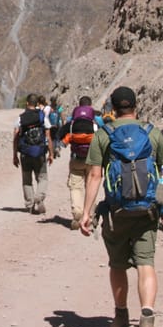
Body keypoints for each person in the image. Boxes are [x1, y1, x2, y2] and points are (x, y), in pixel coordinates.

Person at [80, 86, 163, 327]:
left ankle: (121, 317)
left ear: (112, 107)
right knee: (146, 262)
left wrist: (86, 212)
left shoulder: (104, 135)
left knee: (118, 264)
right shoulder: (152, 133)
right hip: (148, 210)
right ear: (136, 106)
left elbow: (95, 175)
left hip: (116, 212)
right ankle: (147, 317)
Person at [12, 93, 53, 215]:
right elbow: (48, 137)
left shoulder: (20, 118)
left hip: (25, 153)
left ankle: (30, 204)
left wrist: (14, 154)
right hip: (39, 152)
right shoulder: (42, 117)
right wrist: (51, 153)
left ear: (27, 103)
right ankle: (38, 197)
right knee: (43, 178)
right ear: (37, 104)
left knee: (26, 179)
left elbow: (15, 137)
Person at [64, 95, 97, 230]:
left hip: (76, 158)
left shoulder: (72, 124)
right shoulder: (95, 124)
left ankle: (77, 215)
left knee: (76, 187)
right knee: (91, 185)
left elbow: (61, 136)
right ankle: (90, 215)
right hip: (92, 159)